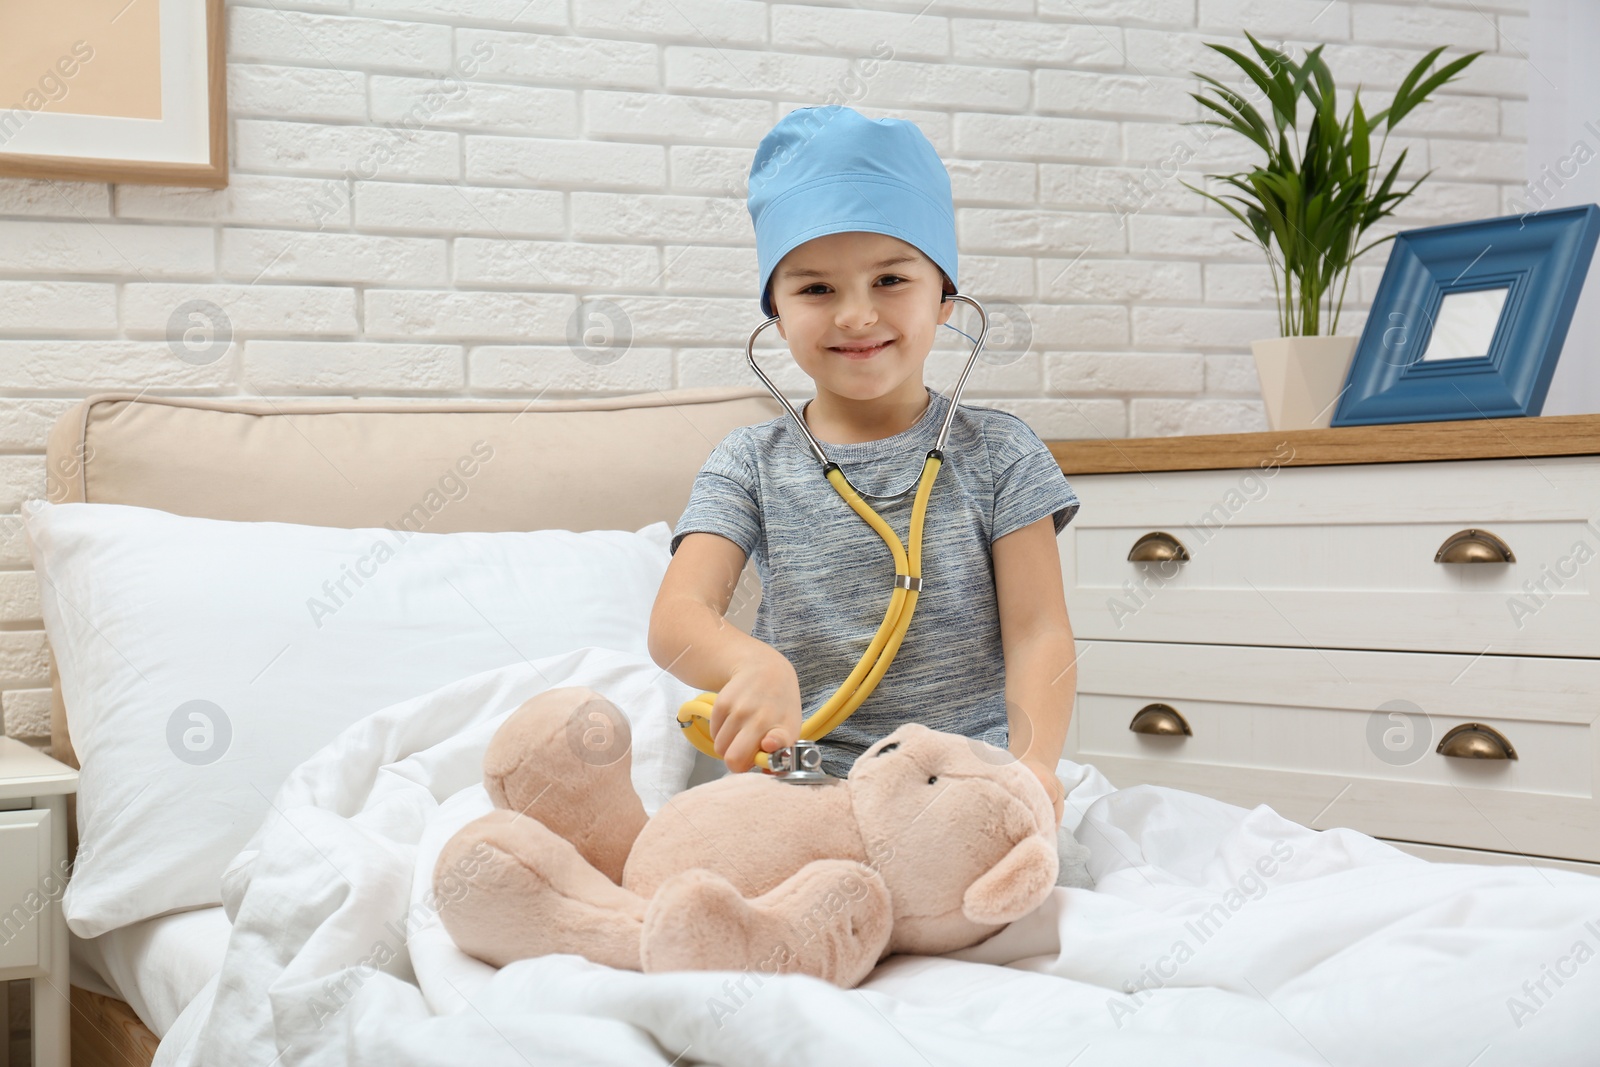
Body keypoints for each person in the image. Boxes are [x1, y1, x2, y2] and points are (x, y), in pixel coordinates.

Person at [647, 105, 1080, 823]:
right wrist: (755, 664)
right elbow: (676, 618)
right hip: (804, 777)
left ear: (944, 297)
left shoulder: (1002, 454)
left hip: (957, 785)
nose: (854, 315)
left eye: (890, 280)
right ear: (777, 315)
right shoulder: (749, 462)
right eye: (816, 288)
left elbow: (1039, 631)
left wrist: (1031, 766)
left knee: (1013, 894)